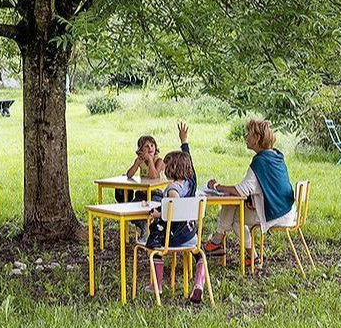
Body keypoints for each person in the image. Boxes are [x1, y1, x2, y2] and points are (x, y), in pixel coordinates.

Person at [202, 119, 297, 268]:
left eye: (248, 134)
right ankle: (218, 241)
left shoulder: (259, 161)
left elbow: (241, 190)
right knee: (233, 204)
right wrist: (252, 199)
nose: (246, 137)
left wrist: (216, 186)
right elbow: (268, 185)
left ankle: (227, 244)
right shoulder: (276, 155)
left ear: (257, 138)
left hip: (276, 214)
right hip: (286, 208)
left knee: (234, 216)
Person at [142, 150, 210, 303]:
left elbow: (173, 208)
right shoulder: (191, 184)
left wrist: (157, 213)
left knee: (156, 249)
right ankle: (199, 283)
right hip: (191, 237)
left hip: (172, 238)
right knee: (200, 254)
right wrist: (184, 142)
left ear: (170, 169)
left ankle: (157, 285)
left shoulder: (172, 189)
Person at [119, 135, 165, 202]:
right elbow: (129, 175)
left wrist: (150, 160)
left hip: (156, 193)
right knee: (133, 205)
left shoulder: (159, 161)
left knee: (153, 205)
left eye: (152, 145)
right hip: (142, 193)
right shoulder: (141, 161)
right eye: (146, 146)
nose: (150, 148)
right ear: (141, 149)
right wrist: (136, 164)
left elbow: (154, 176)